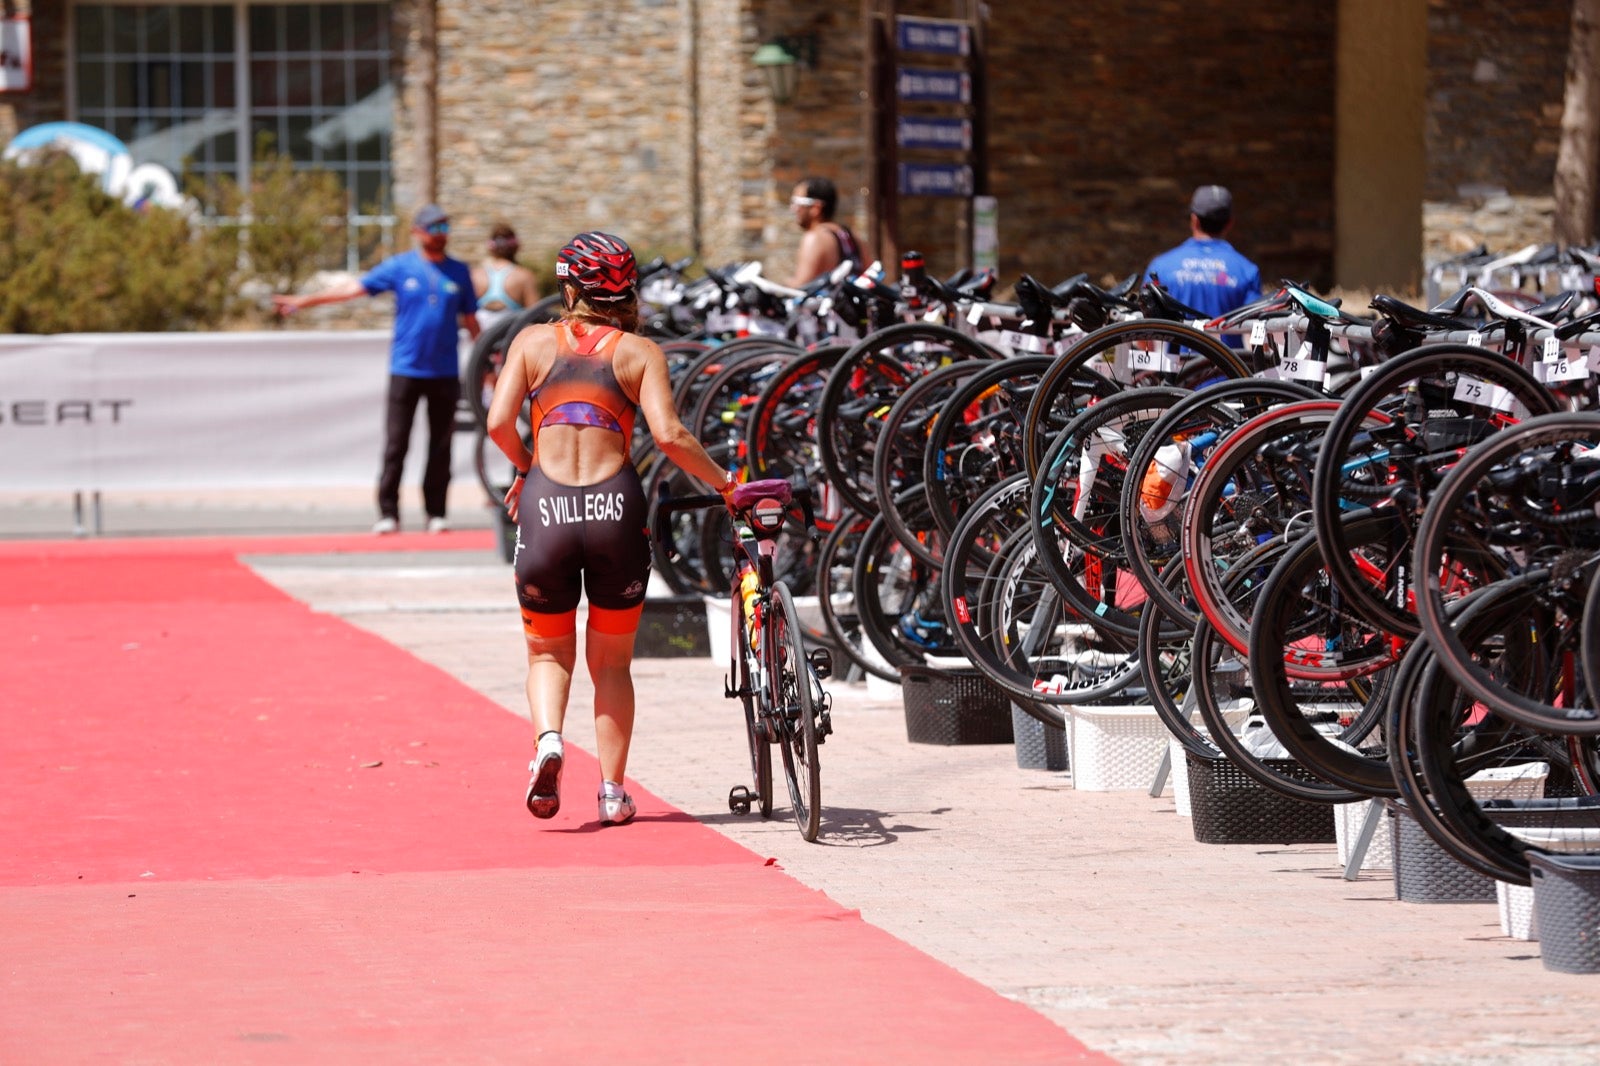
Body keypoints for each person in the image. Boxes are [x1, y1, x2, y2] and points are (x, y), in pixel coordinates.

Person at [486, 231, 735, 827]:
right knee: (613, 664)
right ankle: (613, 791)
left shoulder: (531, 342)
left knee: (547, 652)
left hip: (546, 509)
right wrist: (727, 485)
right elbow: (671, 437)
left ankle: (549, 741)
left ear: (569, 286)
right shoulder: (639, 352)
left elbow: (498, 424)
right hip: (615, 512)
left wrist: (526, 471)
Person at [274, 203, 480, 535]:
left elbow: (472, 323)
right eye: (433, 228)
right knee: (396, 444)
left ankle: (436, 512)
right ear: (417, 232)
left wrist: (487, 364)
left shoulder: (459, 272)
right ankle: (388, 513)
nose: (440, 234)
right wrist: (304, 301)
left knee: (441, 446)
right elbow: (353, 289)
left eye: (444, 228)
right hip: (406, 370)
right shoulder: (401, 267)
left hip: (444, 372)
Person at [1144, 184, 1261, 319]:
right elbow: (1255, 330)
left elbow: (1144, 329)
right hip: (1222, 342)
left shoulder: (1161, 267)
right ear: (1229, 223)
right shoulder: (1247, 270)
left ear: (1194, 220)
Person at [786, 176, 863, 287]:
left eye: (797, 202)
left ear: (816, 208)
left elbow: (802, 286)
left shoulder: (814, 238)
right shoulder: (852, 236)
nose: (793, 209)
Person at [470, 222, 541, 333]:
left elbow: (464, 314)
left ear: (491, 248)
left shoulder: (475, 275)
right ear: (516, 247)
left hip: (479, 338)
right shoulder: (524, 276)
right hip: (509, 337)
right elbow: (535, 315)